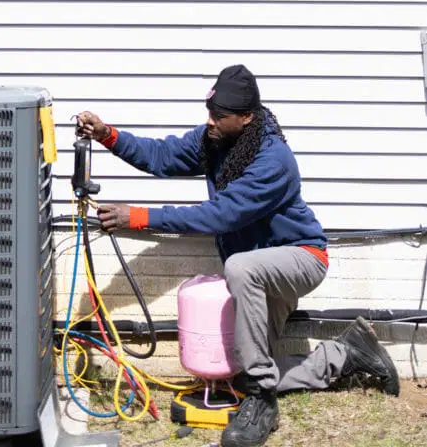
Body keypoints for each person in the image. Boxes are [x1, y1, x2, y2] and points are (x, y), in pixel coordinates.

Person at [76, 64, 399, 447]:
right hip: (256, 271)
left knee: (240, 269)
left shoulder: (272, 160)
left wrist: (141, 217)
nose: (209, 122)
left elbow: (221, 215)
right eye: (209, 113)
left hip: (300, 258)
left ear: (246, 117)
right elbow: (162, 156)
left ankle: (262, 403)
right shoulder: (217, 140)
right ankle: (345, 355)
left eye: (219, 116)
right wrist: (108, 135)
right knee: (240, 373)